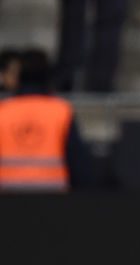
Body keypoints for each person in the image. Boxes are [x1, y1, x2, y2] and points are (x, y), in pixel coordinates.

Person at [0, 49, 93, 191]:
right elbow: (78, 162)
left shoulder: (3, 111)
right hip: (52, 196)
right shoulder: (61, 111)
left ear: (19, 77)